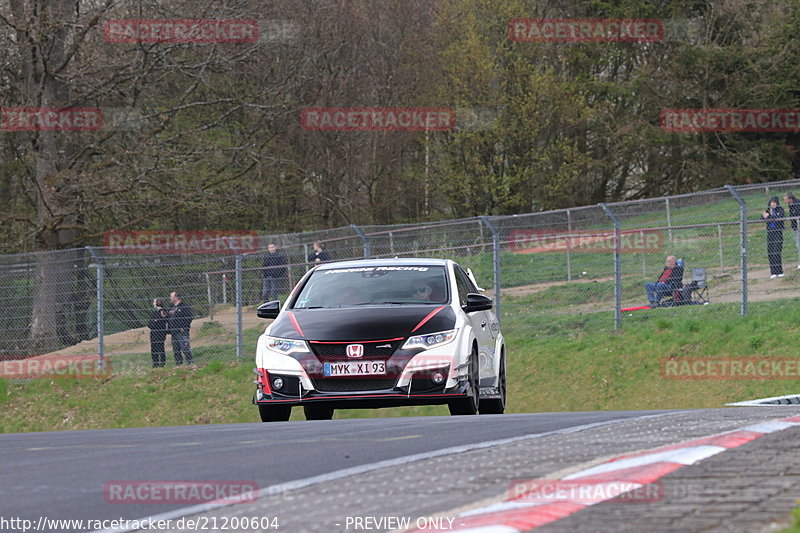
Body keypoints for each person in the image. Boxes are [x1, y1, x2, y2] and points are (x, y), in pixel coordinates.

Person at [169, 291, 194, 365]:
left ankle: (190, 362)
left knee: (185, 348)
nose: (170, 298)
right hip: (174, 331)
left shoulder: (184, 306)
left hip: (182, 331)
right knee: (176, 350)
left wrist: (184, 327)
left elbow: (189, 317)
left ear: (176, 297)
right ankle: (178, 364)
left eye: (171, 296)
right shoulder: (171, 307)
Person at [763, 196, 785, 278]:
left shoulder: (780, 210)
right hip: (770, 233)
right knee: (771, 252)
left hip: (778, 233)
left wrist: (769, 217)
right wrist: (764, 216)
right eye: (772, 202)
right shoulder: (768, 210)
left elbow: (778, 218)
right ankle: (773, 272)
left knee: (777, 252)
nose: (773, 204)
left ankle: (780, 271)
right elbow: (763, 217)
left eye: (775, 203)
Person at [147, 298, 169, 368]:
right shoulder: (155, 312)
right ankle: (155, 363)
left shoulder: (162, 312)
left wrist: (155, 322)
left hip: (160, 334)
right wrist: (154, 322)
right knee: (154, 349)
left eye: (154, 302)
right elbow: (149, 324)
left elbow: (159, 322)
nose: (153, 303)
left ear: (158, 303)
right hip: (154, 334)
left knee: (160, 348)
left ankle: (162, 363)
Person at [784, 192, 800, 269]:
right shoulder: (790, 204)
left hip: (798, 226)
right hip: (795, 227)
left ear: (790, 199)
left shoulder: (797, 203)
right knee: (798, 245)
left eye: (786, 199)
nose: (784, 201)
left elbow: (796, 214)